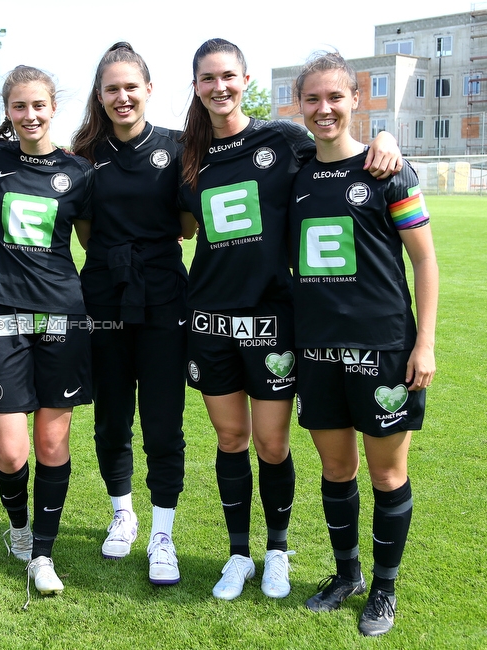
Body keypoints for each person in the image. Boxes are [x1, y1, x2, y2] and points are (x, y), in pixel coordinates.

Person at [178, 38, 402, 602]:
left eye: (228, 76)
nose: (218, 87)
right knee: (231, 439)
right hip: (208, 320)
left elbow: (339, 146)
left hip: (275, 320)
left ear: (244, 78)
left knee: (272, 444)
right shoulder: (189, 155)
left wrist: (385, 136)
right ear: (196, 87)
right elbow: (175, 224)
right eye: (207, 79)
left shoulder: (284, 139)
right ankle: (237, 555)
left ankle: (276, 552)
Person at [289, 51, 437, 637]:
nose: (324, 109)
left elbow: (424, 261)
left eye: (335, 97)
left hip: (382, 348)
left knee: (387, 474)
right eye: (312, 99)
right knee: (335, 468)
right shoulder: (295, 173)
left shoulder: (389, 171)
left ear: (355, 99)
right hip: (317, 349)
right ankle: (346, 573)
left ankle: (385, 587)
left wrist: (424, 345)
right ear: (299, 105)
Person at [70, 42, 189, 585]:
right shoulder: (85, 153)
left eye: (130, 87)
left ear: (148, 90)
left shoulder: (179, 147)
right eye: (111, 88)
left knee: (163, 421)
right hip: (103, 298)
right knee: (112, 416)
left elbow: (188, 225)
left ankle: (162, 534)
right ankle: (123, 515)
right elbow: (85, 232)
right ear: (101, 94)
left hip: (165, 296)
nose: (122, 97)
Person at [0, 65, 93, 600]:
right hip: (2, 311)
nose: (30, 116)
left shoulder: (79, 172)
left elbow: (90, 240)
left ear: (53, 107)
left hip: (62, 314)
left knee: (51, 441)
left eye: (38, 105)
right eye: (19, 107)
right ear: (7, 111)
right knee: (11, 450)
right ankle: (18, 525)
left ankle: (43, 552)